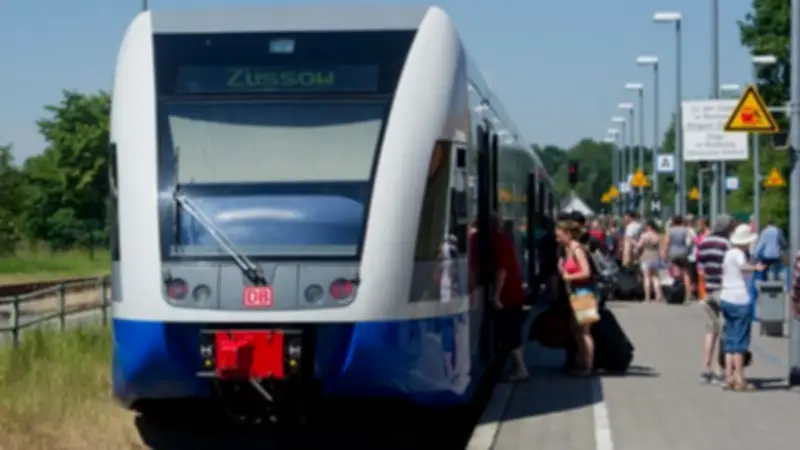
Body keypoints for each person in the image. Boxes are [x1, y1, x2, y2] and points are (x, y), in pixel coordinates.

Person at [468, 215, 529, 381]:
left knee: (508, 331)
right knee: (512, 330)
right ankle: (517, 367)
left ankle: (520, 369)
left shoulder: (478, 240)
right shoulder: (503, 240)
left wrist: (495, 296)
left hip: (504, 295)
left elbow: (500, 270)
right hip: (511, 292)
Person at [719, 224, 763, 391]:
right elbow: (742, 267)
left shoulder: (728, 253)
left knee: (729, 339)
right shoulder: (739, 255)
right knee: (740, 342)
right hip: (740, 299)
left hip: (726, 297)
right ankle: (740, 378)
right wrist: (755, 268)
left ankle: (728, 376)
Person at [556, 216, 596, 376]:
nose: (557, 238)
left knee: (584, 332)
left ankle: (588, 367)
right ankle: (583, 362)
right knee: (576, 330)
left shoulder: (577, 249)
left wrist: (568, 277)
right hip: (576, 293)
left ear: (568, 233)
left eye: (559, 235)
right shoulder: (568, 249)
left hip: (584, 293)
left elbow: (586, 272)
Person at [695, 214, 733, 384]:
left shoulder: (703, 243)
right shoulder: (726, 244)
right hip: (724, 290)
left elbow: (700, 268)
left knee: (711, 330)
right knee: (725, 330)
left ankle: (706, 368)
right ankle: (722, 368)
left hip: (709, 290)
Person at [662, 215, 694, 302]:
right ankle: (688, 294)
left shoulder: (670, 231)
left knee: (676, 273)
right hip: (683, 253)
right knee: (686, 274)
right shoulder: (685, 230)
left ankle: (677, 291)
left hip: (673, 253)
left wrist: (664, 254)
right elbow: (690, 240)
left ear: (673, 221)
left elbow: (667, 242)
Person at [635, 220, 663, 302]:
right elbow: (659, 248)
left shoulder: (644, 235)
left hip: (645, 257)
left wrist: (633, 243)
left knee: (646, 278)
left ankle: (647, 297)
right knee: (655, 277)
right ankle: (658, 295)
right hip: (655, 257)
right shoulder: (657, 235)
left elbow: (639, 246)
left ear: (648, 226)